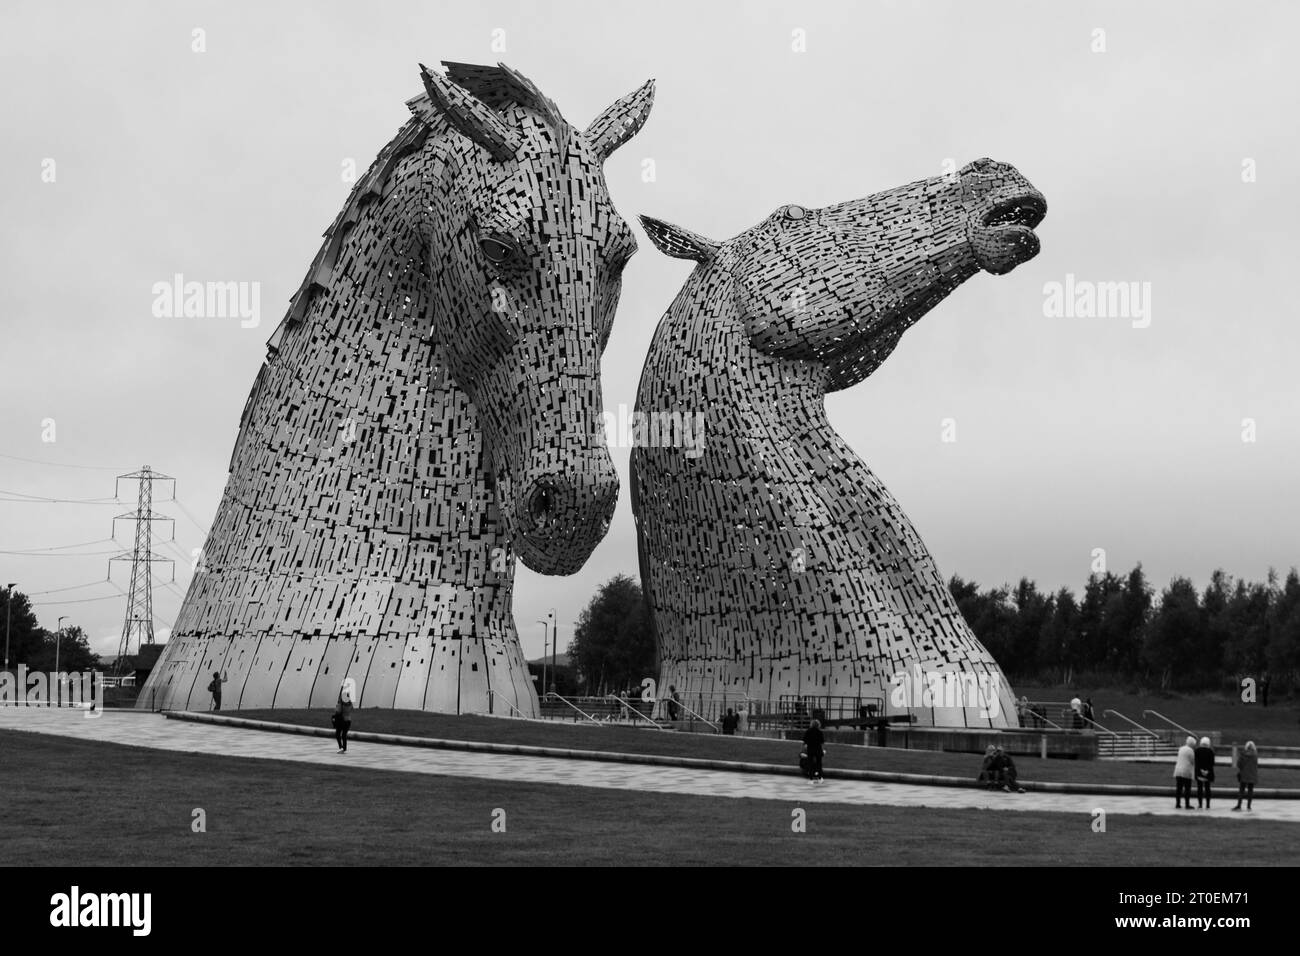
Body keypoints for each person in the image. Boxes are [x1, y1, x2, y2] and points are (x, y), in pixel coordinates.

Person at [1233, 741, 1259, 811]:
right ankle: (1249, 806)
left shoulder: (1243, 754)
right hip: (1252, 775)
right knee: (1250, 791)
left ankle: (1239, 805)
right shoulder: (1255, 755)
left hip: (1244, 774)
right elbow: (1256, 765)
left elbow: (1239, 764)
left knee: (1241, 790)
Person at [1173, 735, 1196, 809]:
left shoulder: (1181, 748)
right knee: (1187, 788)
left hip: (1178, 770)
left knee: (1179, 788)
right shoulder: (1190, 750)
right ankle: (1187, 804)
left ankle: (1177, 804)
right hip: (1186, 771)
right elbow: (1192, 761)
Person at [1194, 736, 1216, 808]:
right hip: (1208, 772)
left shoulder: (1197, 751)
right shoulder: (1210, 752)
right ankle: (1208, 804)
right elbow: (1212, 763)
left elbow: (1196, 762)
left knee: (1199, 788)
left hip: (1199, 772)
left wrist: (1201, 770)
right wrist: (1206, 771)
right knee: (1207, 788)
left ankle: (1200, 804)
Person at [802, 718, 825, 783]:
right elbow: (822, 741)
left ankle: (811, 779)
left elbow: (804, 741)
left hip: (810, 750)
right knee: (819, 764)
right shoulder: (820, 732)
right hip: (818, 749)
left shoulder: (808, 731)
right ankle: (820, 778)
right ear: (818, 725)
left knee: (810, 765)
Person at [333, 684, 354, 753]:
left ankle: (341, 747)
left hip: (342, 721)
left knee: (338, 734)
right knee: (344, 735)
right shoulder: (350, 703)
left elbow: (338, 711)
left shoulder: (341, 703)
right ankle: (344, 748)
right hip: (348, 721)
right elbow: (351, 709)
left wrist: (337, 705)